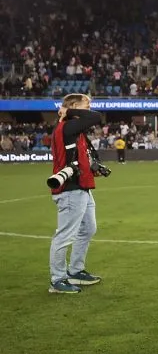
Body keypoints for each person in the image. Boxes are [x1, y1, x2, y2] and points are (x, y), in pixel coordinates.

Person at [48, 94, 104, 294]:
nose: (89, 108)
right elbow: (96, 117)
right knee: (64, 235)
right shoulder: (68, 126)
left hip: (81, 187)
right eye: (85, 104)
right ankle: (57, 279)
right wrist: (69, 112)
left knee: (88, 228)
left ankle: (75, 270)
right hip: (70, 189)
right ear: (72, 107)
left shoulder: (73, 129)